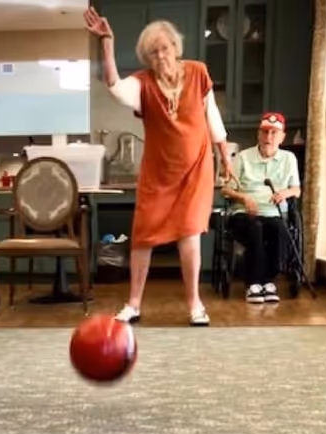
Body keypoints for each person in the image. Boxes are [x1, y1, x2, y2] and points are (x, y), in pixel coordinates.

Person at [87, 7, 236, 326]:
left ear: (175, 47)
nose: (160, 56)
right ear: (147, 58)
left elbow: (213, 119)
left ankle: (195, 304)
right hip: (157, 172)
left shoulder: (197, 72)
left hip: (196, 168)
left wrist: (225, 156)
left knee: (189, 234)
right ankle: (134, 304)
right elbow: (114, 84)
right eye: (152, 52)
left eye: (164, 48)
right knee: (143, 236)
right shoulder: (142, 83)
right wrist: (107, 42)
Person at [222, 112, 301, 304]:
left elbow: (296, 189)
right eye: (265, 132)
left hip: (273, 212)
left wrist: (284, 193)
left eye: (274, 133)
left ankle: (268, 281)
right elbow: (225, 189)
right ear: (258, 134)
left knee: (278, 229)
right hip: (242, 214)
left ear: (282, 137)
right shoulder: (242, 157)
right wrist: (244, 198)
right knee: (255, 227)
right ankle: (253, 283)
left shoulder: (289, 158)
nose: (269, 137)